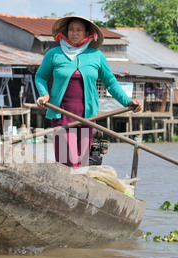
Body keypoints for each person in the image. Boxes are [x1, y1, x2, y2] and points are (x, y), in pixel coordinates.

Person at [35, 16, 142, 168]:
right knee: (68, 162)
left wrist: (128, 101)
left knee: (82, 163)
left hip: (87, 117)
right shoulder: (54, 54)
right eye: (71, 29)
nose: (74, 33)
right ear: (66, 32)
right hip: (61, 115)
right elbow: (40, 76)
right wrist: (44, 94)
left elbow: (110, 83)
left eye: (79, 30)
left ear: (87, 33)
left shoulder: (96, 56)